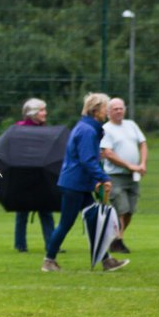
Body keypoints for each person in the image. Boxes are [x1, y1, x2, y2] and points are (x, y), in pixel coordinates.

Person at [42, 93, 128, 273]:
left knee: (94, 221)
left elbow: (86, 158)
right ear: (96, 110)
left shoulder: (86, 128)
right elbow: (87, 160)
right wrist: (103, 178)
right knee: (66, 223)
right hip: (75, 184)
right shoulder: (88, 131)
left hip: (78, 184)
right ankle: (49, 260)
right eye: (105, 108)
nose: (107, 111)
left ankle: (106, 260)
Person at [99, 97, 147, 254]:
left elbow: (143, 143)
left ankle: (116, 239)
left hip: (132, 176)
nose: (119, 111)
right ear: (108, 112)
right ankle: (117, 241)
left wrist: (142, 164)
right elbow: (108, 153)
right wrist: (129, 165)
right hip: (115, 176)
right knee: (122, 208)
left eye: (121, 108)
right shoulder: (106, 129)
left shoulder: (131, 125)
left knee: (130, 211)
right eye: (115, 109)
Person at [12, 98, 55, 253]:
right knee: (22, 212)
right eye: (42, 110)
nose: (45, 113)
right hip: (24, 177)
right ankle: (20, 245)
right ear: (32, 113)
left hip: (42, 178)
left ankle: (51, 244)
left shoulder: (46, 130)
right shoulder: (19, 129)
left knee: (46, 211)